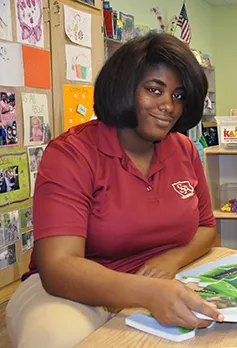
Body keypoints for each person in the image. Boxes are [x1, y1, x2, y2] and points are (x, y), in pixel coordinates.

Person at [6, 33, 224, 348]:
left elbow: (207, 228)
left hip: (167, 281)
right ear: (124, 87)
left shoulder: (184, 149)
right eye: (154, 90)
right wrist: (146, 292)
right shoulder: (71, 153)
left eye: (179, 96)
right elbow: (58, 267)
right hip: (75, 293)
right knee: (53, 338)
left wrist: (170, 261)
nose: (168, 107)